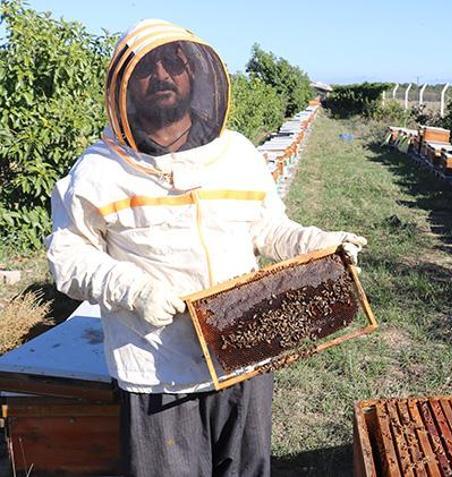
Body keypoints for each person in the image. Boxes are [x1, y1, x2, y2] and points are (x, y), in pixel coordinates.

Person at [45, 19, 366, 477]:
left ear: (195, 74)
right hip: (156, 364)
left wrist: (318, 244)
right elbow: (69, 257)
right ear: (125, 86)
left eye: (173, 64)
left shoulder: (235, 154)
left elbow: (268, 227)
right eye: (147, 68)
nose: (161, 75)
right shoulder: (98, 171)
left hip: (244, 348)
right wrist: (131, 288)